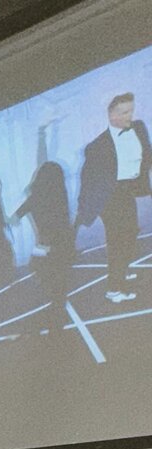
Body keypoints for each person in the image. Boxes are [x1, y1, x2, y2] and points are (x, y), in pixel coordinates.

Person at [75, 92, 152, 303]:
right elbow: (87, 179)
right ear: (112, 115)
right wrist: (83, 209)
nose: (130, 116)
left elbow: (147, 155)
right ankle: (114, 289)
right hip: (110, 197)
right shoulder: (97, 146)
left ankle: (121, 271)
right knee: (118, 241)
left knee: (131, 234)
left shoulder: (139, 128)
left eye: (131, 110)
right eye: (124, 112)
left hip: (128, 191)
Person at [13, 161, 75, 334]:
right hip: (58, 250)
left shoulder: (35, 198)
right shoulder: (58, 198)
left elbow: (16, 217)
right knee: (59, 292)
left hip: (41, 251)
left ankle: (49, 325)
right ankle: (55, 328)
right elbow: (63, 227)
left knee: (50, 292)